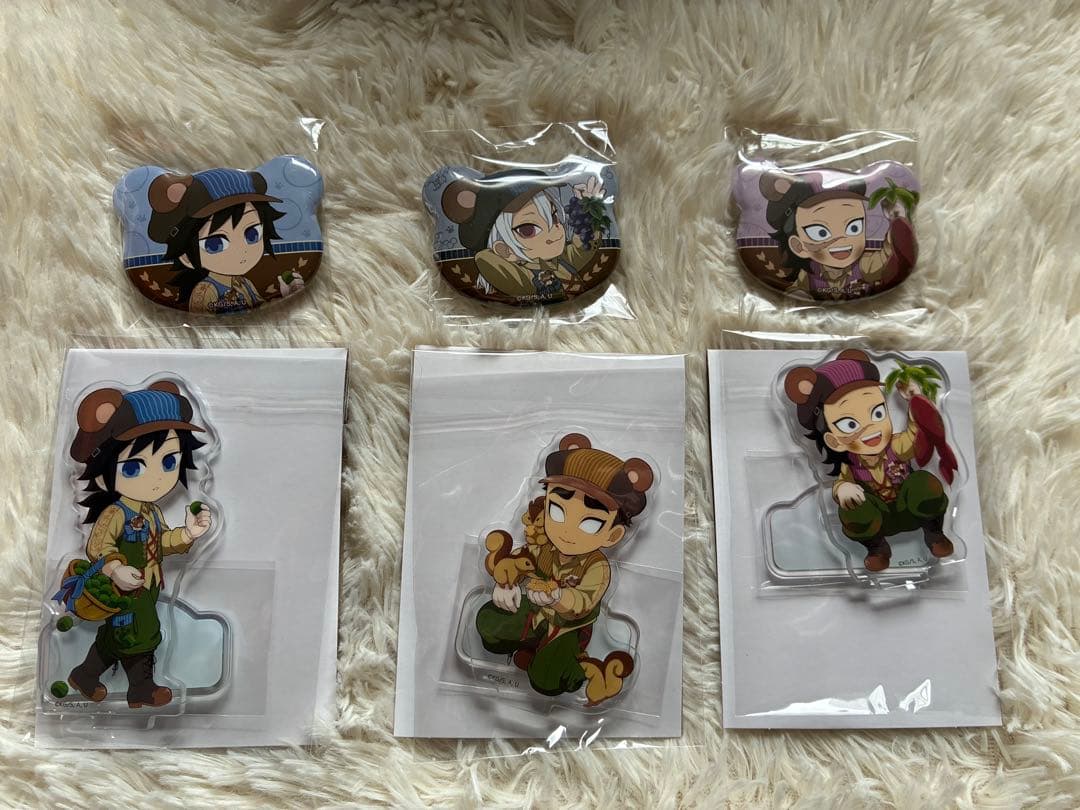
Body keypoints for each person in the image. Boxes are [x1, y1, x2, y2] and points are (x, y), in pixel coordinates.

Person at [61, 381, 214, 707]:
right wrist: (115, 568)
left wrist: (188, 534)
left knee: (126, 633)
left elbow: (161, 543)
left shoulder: (152, 512)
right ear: (101, 473)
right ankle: (139, 688)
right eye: (133, 467)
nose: (157, 478)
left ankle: (87, 676)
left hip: (148, 588)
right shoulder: (115, 512)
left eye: (169, 462)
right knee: (135, 634)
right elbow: (98, 546)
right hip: (122, 590)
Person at [474, 434, 652, 705]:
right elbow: (522, 560)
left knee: (548, 678)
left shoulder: (597, 566)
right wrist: (505, 584)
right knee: (488, 621)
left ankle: (590, 671)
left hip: (568, 628)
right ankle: (529, 648)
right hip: (534, 611)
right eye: (557, 510)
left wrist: (557, 596)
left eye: (590, 523)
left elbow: (582, 602)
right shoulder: (544, 543)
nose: (567, 530)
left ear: (613, 535)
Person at [783, 350, 955, 572]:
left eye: (877, 414)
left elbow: (917, 436)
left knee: (924, 482)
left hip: (911, 510)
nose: (871, 428)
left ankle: (934, 534)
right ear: (834, 441)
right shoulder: (850, 465)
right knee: (851, 509)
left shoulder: (895, 446)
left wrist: (915, 400)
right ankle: (877, 549)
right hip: (879, 521)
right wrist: (843, 489)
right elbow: (841, 483)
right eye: (850, 424)